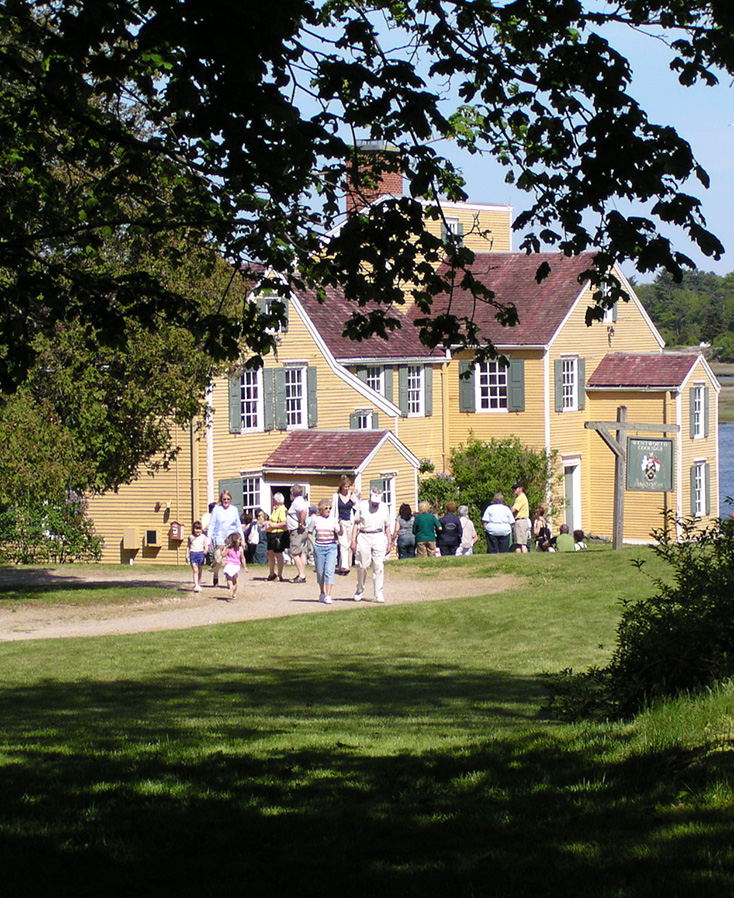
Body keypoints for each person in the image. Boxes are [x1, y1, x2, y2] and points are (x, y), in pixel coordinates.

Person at [351, 486, 392, 602]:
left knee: (378, 566)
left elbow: (387, 526)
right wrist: (353, 540)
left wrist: (389, 542)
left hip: (378, 535)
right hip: (364, 535)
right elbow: (356, 523)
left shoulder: (384, 507)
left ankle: (378, 593)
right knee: (363, 565)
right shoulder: (362, 506)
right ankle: (359, 589)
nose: (375, 504)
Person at [308, 497, 342, 604]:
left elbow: (340, 533)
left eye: (330, 508)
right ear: (321, 509)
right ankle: (322, 592)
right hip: (319, 547)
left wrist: (341, 526)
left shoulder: (333, 520)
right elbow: (309, 533)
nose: (328, 510)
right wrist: (314, 544)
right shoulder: (316, 520)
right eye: (326, 508)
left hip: (331, 547)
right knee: (320, 572)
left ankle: (328, 595)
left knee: (329, 571)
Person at [208, 491, 244, 587]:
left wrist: (242, 539)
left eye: (228, 499)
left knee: (232, 560)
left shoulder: (234, 510)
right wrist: (209, 538)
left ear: (230, 500)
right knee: (218, 559)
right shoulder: (216, 509)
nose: (226, 501)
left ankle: (230, 579)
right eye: (224, 499)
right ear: (221, 499)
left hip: (232, 539)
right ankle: (215, 574)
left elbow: (238, 525)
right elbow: (212, 525)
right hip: (219, 538)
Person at [331, 475, 359, 574]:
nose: (347, 488)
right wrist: (335, 522)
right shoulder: (336, 496)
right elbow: (333, 511)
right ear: (342, 486)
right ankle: (344, 566)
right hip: (340, 522)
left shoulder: (352, 496)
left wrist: (354, 502)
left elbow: (358, 509)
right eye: (345, 486)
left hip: (350, 522)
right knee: (343, 544)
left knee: (348, 544)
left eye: (348, 486)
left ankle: (345, 565)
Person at [286, 483, 309, 584]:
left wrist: (301, 523)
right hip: (300, 531)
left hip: (297, 531)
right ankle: (301, 573)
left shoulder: (297, 502)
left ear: (292, 493)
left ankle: (302, 575)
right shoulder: (301, 501)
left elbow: (304, 511)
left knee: (294, 553)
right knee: (301, 553)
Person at [266, 492, 288, 581]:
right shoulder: (275, 509)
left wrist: (274, 525)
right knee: (270, 553)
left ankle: (279, 575)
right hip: (271, 534)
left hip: (278, 535)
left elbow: (284, 522)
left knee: (278, 554)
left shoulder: (282, 509)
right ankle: (271, 573)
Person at [222, 532, 247, 599]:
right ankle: (233, 592)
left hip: (230, 565)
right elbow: (242, 558)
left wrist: (222, 549)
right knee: (234, 580)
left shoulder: (229, 549)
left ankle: (231, 588)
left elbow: (223, 555)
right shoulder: (240, 549)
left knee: (229, 578)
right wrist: (245, 567)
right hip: (235, 565)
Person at [186, 520, 209, 591]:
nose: (198, 530)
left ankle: (198, 584)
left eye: (199, 529)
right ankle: (196, 585)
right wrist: (186, 555)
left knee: (200, 570)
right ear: (193, 529)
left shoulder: (203, 537)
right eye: (196, 529)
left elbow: (206, 545)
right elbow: (188, 546)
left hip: (200, 553)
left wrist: (206, 550)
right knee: (195, 570)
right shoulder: (191, 537)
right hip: (193, 553)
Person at [511, 481, 530, 553]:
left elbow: (513, 510)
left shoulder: (520, 498)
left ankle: (520, 557)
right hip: (523, 521)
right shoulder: (522, 497)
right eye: (513, 488)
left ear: (520, 488)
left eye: (516, 488)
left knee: (519, 544)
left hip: (520, 522)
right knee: (522, 543)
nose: (514, 490)